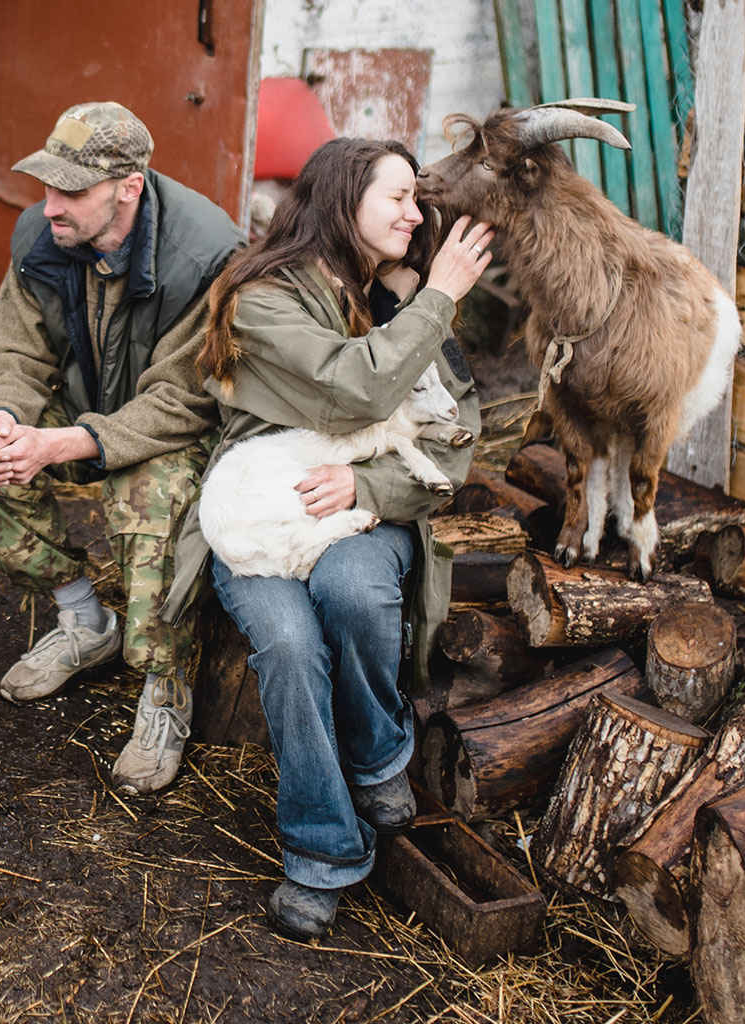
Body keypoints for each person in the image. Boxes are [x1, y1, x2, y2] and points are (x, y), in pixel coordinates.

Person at [162, 138, 490, 938]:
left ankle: (380, 752)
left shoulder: (405, 296)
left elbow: (460, 433)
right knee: (284, 637)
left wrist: (374, 487)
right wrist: (438, 298)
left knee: (352, 589)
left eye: (418, 200)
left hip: (363, 506)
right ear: (345, 204)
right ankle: (323, 851)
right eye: (400, 199)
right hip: (267, 510)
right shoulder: (265, 296)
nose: (416, 215)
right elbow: (354, 388)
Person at [0, 100, 243, 795]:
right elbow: (13, 352)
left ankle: (165, 685)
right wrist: (4, 417)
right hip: (91, 405)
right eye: (46, 184)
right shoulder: (40, 236)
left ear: (128, 187)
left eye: (70, 189)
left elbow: (183, 401)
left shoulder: (206, 254)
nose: (48, 204)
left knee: (152, 498)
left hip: (177, 430)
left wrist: (66, 443)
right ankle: (87, 621)